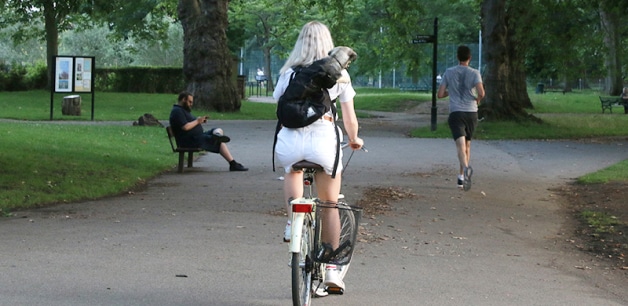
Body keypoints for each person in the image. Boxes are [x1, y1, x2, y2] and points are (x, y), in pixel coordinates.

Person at [273, 21, 364, 291]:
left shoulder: (288, 73)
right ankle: (333, 271)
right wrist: (353, 139)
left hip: (290, 141)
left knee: (292, 171)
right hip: (323, 141)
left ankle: (293, 223)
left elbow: (280, 105)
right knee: (329, 202)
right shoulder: (340, 76)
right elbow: (350, 119)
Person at [437, 45, 485, 191]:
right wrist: (477, 100)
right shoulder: (475, 73)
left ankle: (465, 169)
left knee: (460, 146)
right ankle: (461, 177)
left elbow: (440, 94)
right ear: (469, 58)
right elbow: (481, 93)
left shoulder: (449, 72)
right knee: (467, 146)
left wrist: (451, 93)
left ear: (457, 57)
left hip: (456, 112)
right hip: (471, 112)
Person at [169, 91, 248, 172]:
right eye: (190, 102)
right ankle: (233, 164)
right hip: (191, 140)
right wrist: (197, 121)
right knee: (218, 142)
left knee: (218, 129)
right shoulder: (177, 111)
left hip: (196, 137)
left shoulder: (182, 110)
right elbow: (185, 127)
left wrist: (200, 120)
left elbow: (190, 123)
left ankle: (217, 135)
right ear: (183, 99)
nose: (191, 104)